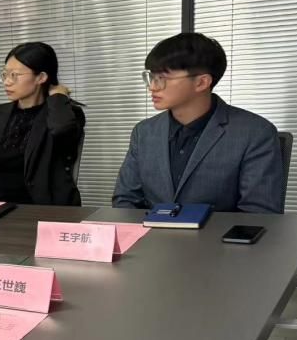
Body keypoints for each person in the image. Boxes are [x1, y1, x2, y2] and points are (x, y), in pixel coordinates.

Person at [113, 33, 284, 213]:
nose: (152, 87)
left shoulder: (255, 133)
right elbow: (125, 200)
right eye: (151, 77)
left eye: (162, 78)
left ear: (201, 82)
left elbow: (259, 214)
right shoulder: (144, 132)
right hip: (150, 231)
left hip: (219, 232)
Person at [0, 42, 85, 206]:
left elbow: (61, 129)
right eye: (5, 74)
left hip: (42, 210)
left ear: (41, 77)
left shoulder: (65, 113)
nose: (6, 82)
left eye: (14, 75)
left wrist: (58, 96)